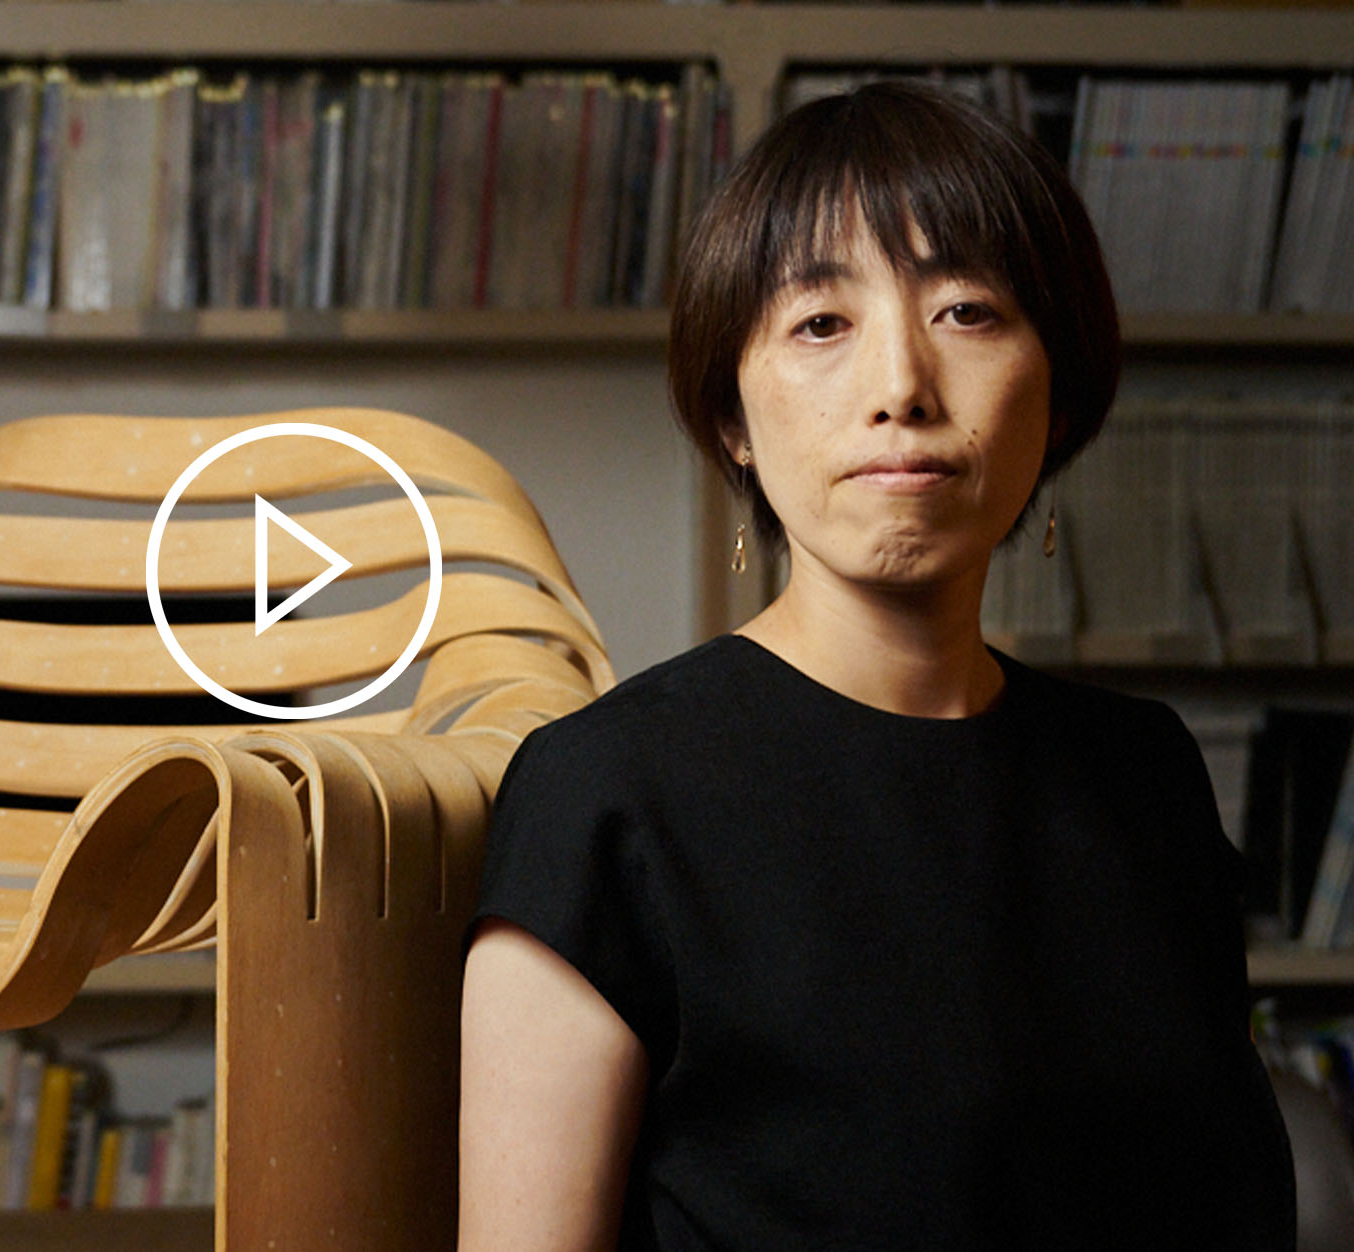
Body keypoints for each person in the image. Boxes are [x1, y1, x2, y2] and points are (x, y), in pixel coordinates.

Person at [457, 80, 1297, 1252]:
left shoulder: (1146, 774)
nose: (900, 387)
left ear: (1056, 396)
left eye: (967, 311)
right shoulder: (607, 795)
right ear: (733, 421)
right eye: (821, 324)